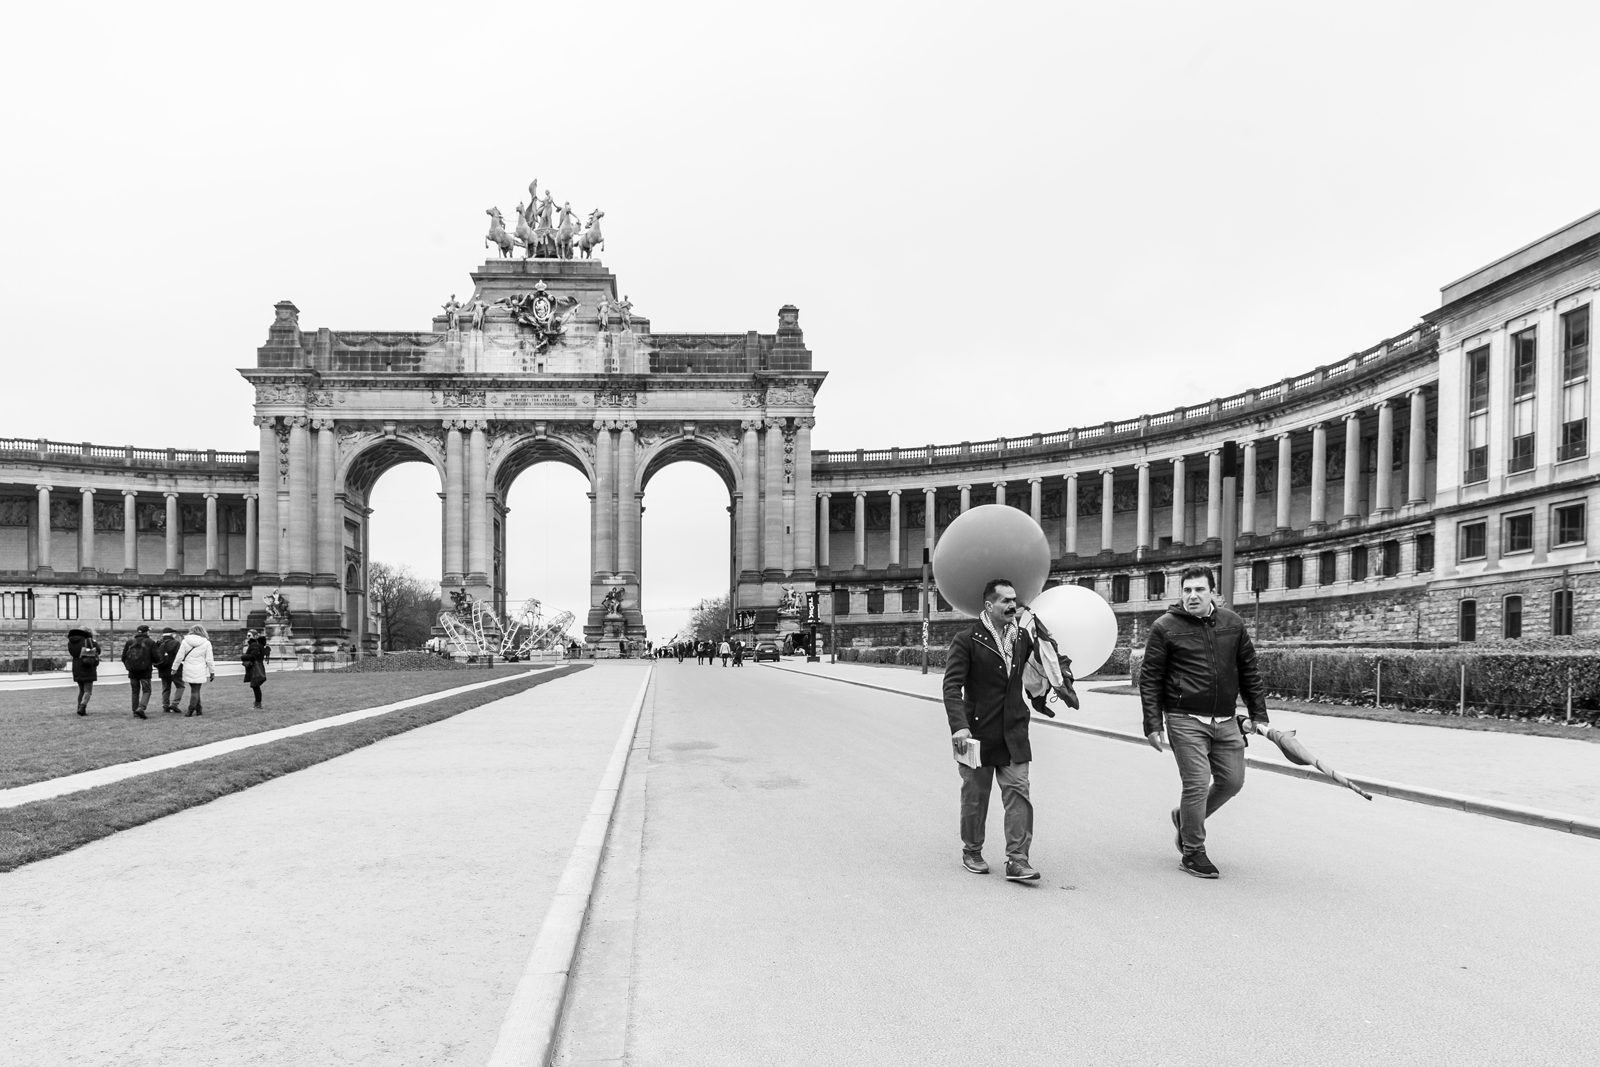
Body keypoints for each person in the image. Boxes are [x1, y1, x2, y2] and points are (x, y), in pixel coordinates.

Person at [1139, 564, 1269, 880]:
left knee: (1232, 781)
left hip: (1226, 719)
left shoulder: (1233, 624)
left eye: (1199, 589)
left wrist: (1258, 714)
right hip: (1184, 718)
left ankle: (1185, 818)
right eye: (1187, 590)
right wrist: (1153, 723)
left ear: (1213, 592)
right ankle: (1193, 852)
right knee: (1196, 783)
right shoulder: (1164, 627)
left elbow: (1249, 670)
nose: (1192, 596)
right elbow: (1150, 678)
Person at [943, 579, 1076, 883]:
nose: (1012, 606)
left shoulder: (1024, 638)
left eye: (1014, 600)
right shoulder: (966, 640)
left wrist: (1057, 679)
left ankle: (1017, 859)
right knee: (975, 796)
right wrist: (959, 726)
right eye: (1004, 601)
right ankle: (972, 850)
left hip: (1014, 730)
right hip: (975, 733)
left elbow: (1036, 673)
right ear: (989, 606)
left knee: (1019, 793)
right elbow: (951, 686)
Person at [173, 624, 216, 717]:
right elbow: (209, 659)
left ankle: (199, 709)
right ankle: (191, 709)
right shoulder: (206, 643)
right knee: (195, 690)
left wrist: (174, 668)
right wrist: (212, 672)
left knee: (194, 689)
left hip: (188, 667)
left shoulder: (185, 641)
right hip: (200, 668)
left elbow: (179, 656)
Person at [120, 624, 159, 719]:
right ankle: (141, 708)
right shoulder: (150, 642)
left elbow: (123, 657)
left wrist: (129, 666)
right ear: (146, 632)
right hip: (145, 671)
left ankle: (135, 711)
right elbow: (156, 657)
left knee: (135, 691)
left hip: (132, 671)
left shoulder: (129, 642)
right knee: (147, 690)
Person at [67, 626, 101, 717]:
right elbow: (98, 650)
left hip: (76, 666)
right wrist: (93, 641)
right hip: (87, 666)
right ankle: (82, 707)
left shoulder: (71, 642)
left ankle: (79, 707)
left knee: (81, 690)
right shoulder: (88, 641)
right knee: (88, 691)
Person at [156, 626, 185, 713]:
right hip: (175, 669)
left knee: (166, 688)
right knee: (180, 686)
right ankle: (174, 704)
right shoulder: (175, 643)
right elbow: (180, 656)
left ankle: (165, 706)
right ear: (172, 634)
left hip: (163, 669)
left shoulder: (158, 644)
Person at [241, 629, 271, 709]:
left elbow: (253, 656)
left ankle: (258, 704)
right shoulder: (257, 645)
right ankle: (257, 703)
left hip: (255, 667)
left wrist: (243, 657)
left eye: (249, 635)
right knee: (255, 686)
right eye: (247, 635)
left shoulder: (254, 645)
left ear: (254, 636)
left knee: (255, 685)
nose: (247, 637)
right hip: (257, 666)